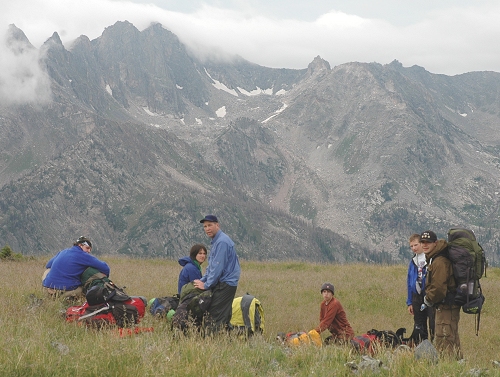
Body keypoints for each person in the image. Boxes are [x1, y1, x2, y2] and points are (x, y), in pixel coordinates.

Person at [193, 214, 240, 334]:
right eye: (205, 226)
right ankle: (231, 337)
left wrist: (206, 284)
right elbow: (212, 266)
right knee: (222, 314)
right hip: (223, 283)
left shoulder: (222, 242)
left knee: (214, 316)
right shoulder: (217, 241)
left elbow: (218, 267)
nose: (207, 228)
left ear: (217, 225)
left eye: (210, 225)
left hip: (225, 284)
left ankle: (211, 341)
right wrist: (203, 279)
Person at [420, 230, 462, 359]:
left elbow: (438, 288)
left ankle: (447, 367)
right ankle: (458, 367)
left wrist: (428, 299)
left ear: (435, 243)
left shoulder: (439, 262)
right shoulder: (436, 258)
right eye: (423, 242)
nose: (425, 245)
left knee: (444, 339)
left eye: (428, 242)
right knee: (452, 338)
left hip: (446, 307)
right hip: (447, 306)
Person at [42, 236, 110, 299]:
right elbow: (105, 268)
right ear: (80, 245)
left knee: (48, 271)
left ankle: (48, 292)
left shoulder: (63, 252)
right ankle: (65, 297)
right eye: (87, 248)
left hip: (48, 289)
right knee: (83, 289)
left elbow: (48, 265)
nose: (89, 251)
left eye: (90, 249)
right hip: (66, 291)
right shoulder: (83, 256)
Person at [406, 233, 435, 344]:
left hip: (428, 295)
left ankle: (433, 345)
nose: (414, 248)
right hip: (416, 296)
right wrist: (409, 302)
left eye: (416, 245)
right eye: (411, 246)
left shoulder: (430, 259)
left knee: (432, 322)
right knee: (419, 324)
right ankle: (420, 346)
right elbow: (409, 282)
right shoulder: (413, 261)